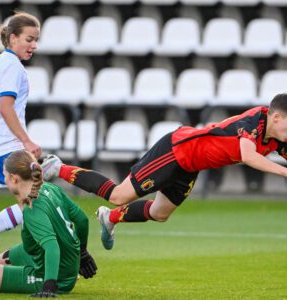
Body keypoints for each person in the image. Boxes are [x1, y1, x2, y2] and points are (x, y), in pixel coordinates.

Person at [41, 93, 287, 250]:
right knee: (118, 195)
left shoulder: (278, 138)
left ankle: (110, 218)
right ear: (276, 117)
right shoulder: (256, 120)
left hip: (191, 166)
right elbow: (248, 155)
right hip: (176, 151)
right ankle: (58, 167)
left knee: (160, 213)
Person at [0, 150, 97, 297]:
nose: (4, 180)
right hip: (68, 262)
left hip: (57, 277)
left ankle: (50, 277)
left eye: (5, 176)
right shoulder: (50, 188)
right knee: (1, 260)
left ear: (13, 178)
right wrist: (82, 254)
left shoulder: (32, 207)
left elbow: (52, 247)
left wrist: (49, 285)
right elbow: (82, 220)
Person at [0, 11, 42, 240]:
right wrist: (26, 141)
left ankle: (30, 257)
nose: (34, 45)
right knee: (35, 204)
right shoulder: (12, 66)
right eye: (29, 39)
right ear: (13, 38)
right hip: (7, 145)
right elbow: (6, 108)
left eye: (36, 40)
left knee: (34, 203)